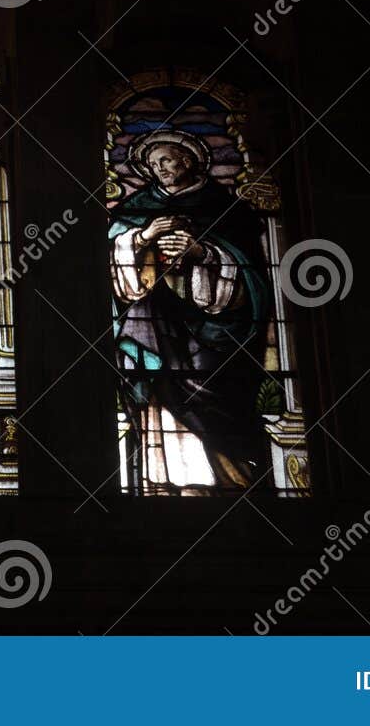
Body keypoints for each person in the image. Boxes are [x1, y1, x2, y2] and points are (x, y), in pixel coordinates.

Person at [108, 129, 271, 489]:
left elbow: (257, 279)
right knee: (160, 388)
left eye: (166, 160)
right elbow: (111, 263)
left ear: (189, 159)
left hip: (215, 330)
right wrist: (141, 238)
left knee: (213, 392)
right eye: (152, 164)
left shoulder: (229, 210)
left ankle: (233, 482)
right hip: (155, 323)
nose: (160, 169)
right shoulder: (136, 210)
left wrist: (204, 254)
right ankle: (163, 482)